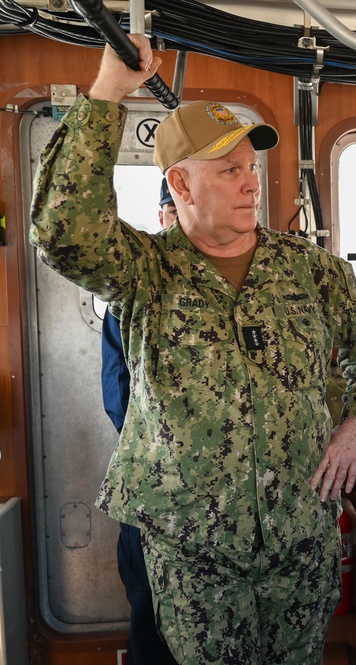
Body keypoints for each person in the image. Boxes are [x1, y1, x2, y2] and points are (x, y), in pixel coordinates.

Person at [31, 36, 356, 665]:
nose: (249, 183)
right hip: (192, 548)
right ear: (181, 183)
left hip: (298, 536)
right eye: (229, 170)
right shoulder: (144, 270)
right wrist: (108, 91)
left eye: (250, 167)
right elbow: (62, 230)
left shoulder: (309, 269)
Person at [100, 177, 178, 665]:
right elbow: (118, 394)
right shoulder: (131, 290)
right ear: (164, 214)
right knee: (153, 624)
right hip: (156, 493)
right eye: (168, 211)